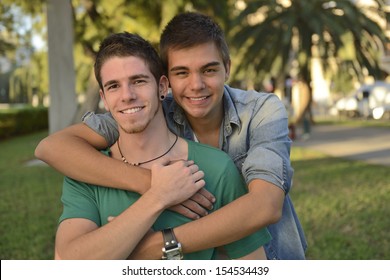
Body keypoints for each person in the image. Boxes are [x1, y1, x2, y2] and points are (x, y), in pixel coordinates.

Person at [36, 12, 306, 259]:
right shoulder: (150, 110)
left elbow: (266, 205)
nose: (196, 85)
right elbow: (51, 148)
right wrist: (153, 184)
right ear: (166, 82)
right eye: (181, 72)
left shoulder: (261, 111)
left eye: (209, 70)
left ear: (228, 68)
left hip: (275, 255)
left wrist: (157, 245)